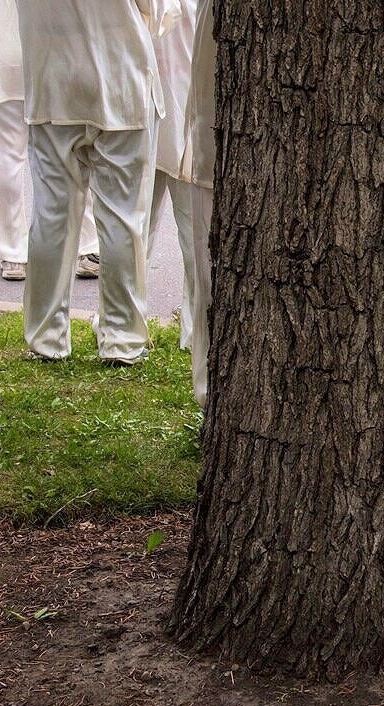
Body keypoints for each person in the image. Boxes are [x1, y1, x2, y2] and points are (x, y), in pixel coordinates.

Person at [17, 0, 166, 365]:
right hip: (119, 71)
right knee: (122, 215)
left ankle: (46, 336)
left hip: (52, 73)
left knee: (52, 214)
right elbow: (155, 9)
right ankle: (122, 338)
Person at [0, 0, 98, 282]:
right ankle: (86, 244)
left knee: (5, 159)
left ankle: (13, 252)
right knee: (70, 153)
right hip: (47, 54)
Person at [153, 0, 212, 406]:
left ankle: (192, 330)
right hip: (165, 108)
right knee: (143, 225)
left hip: (179, 113)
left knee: (196, 247)